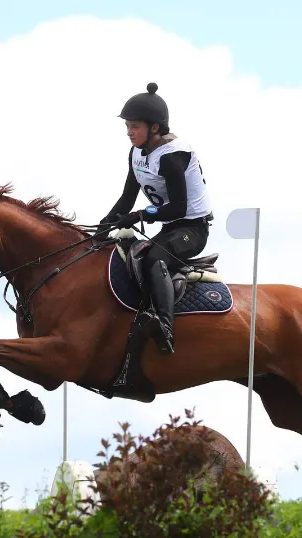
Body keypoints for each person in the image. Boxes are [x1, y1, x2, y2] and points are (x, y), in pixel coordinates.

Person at [100, 82, 214, 357]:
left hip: (192, 230)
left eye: (134, 127)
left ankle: (165, 327)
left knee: (155, 259)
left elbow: (178, 208)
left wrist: (139, 215)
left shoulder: (172, 156)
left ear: (154, 128)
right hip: (169, 227)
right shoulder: (137, 152)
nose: (129, 133)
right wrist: (102, 226)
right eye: (127, 126)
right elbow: (127, 198)